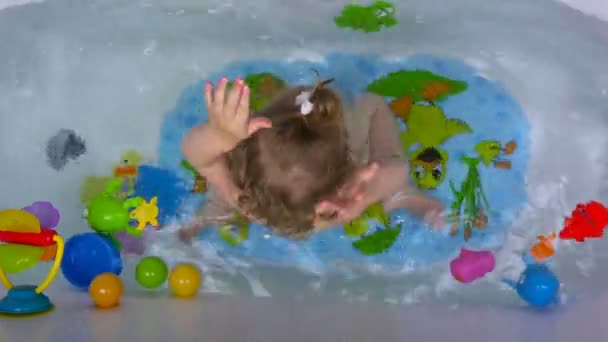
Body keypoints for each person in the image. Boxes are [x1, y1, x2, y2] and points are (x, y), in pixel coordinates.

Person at [178, 75, 444, 242]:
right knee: (377, 122)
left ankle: (201, 220)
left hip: (326, 134)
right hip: (325, 142)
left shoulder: (242, 197)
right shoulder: (340, 207)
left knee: (218, 195)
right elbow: (397, 170)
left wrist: (219, 138)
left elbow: (198, 155)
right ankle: (409, 200)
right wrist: (367, 194)